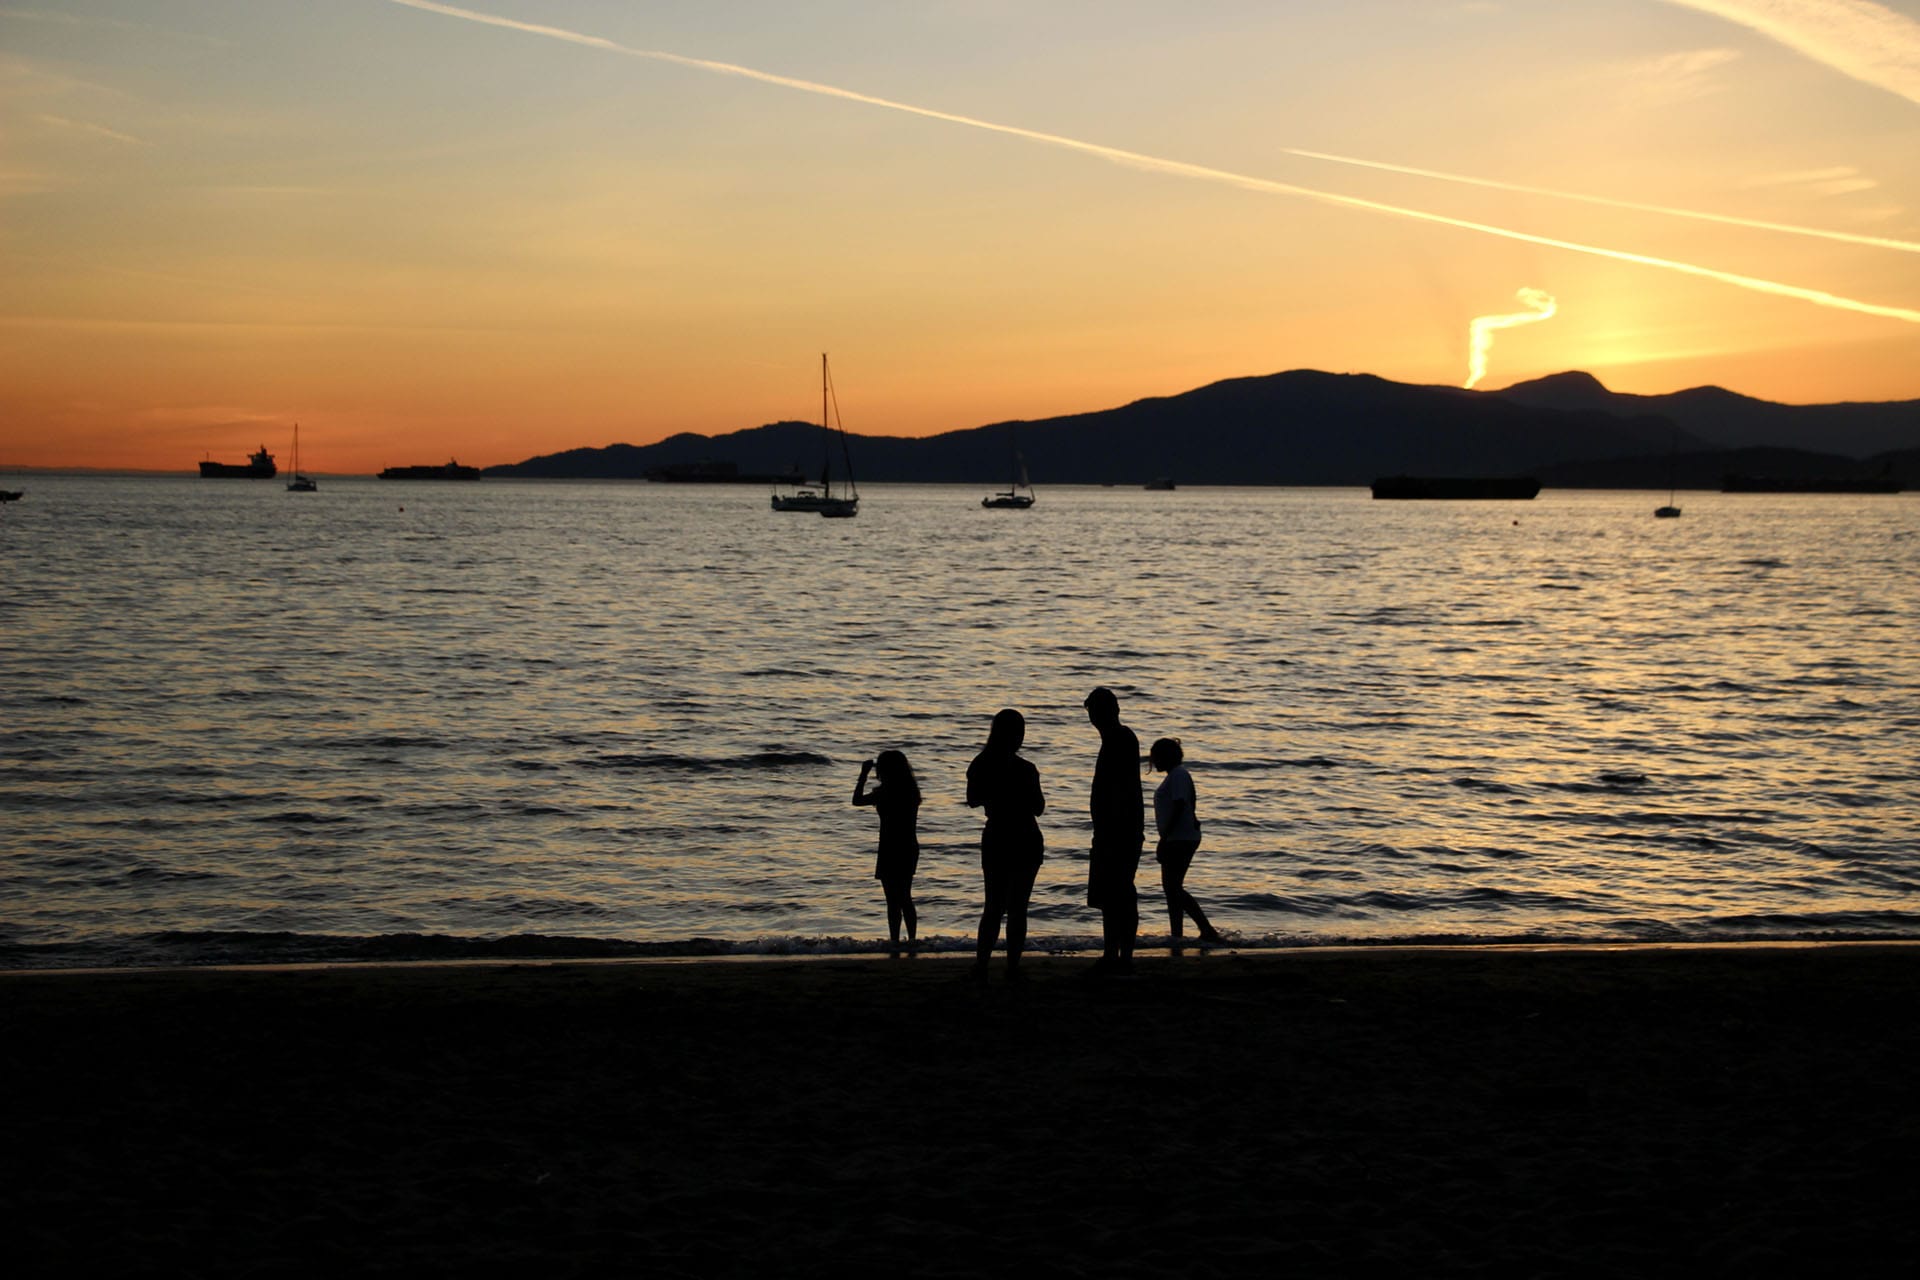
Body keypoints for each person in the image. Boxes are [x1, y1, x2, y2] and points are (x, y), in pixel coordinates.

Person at [964, 708, 1046, 981]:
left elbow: (973, 799)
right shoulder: (1026, 769)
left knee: (993, 905)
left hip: (998, 835)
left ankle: (982, 964)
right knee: (1018, 907)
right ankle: (1012, 966)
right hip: (1025, 836)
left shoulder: (981, 763)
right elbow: (1039, 807)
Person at [1083, 686, 1143, 975]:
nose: (1095, 718)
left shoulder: (1121, 739)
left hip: (1119, 831)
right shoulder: (1115, 739)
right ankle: (1112, 953)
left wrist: (1112, 826)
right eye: (1093, 712)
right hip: (1112, 830)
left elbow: (1122, 791)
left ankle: (1123, 956)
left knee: (1120, 892)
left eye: (1098, 711)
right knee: (1111, 896)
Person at [1149, 737, 1223, 947]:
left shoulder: (1178, 775)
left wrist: (1164, 838)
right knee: (1172, 889)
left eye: (1156, 757)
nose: (1154, 762)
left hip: (1179, 838)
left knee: (1173, 888)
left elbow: (1181, 803)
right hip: (1179, 836)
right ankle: (1177, 935)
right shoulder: (1177, 776)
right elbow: (1189, 801)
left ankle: (1206, 929)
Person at [853, 750, 922, 952]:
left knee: (893, 900)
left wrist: (863, 775)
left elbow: (856, 800)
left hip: (890, 846)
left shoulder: (884, 792)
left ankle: (895, 941)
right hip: (908, 845)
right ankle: (911, 940)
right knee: (905, 897)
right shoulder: (911, 790)